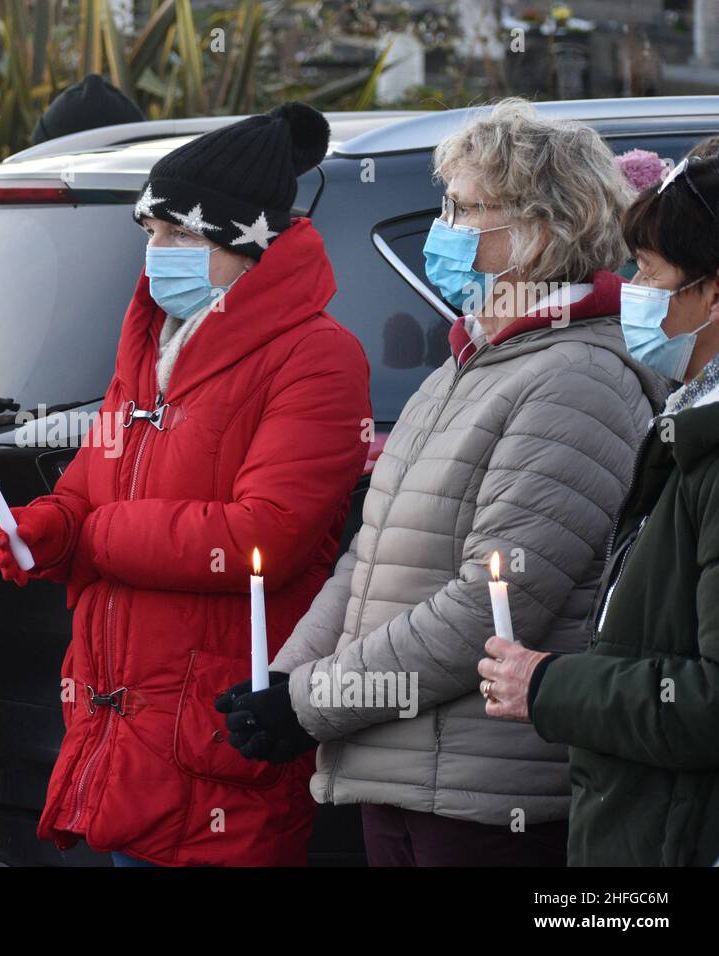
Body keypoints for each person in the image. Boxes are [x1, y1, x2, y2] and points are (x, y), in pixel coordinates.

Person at [220, 98, 669, 866]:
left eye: (464, 209)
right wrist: (286, 677)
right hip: (401, 771)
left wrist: (311, 705)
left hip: (486, 795)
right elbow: (368, 564)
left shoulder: (576, 380)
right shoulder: (466, 364)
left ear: (540, 228)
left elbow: (490, 604)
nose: (445, 227)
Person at [0, 103, 372, 866]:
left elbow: (265, 533)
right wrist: (49, 528)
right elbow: (88, 483)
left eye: (179, 233)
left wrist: (94, 537)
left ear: (242, 244)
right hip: (125, 732)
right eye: (150, 233)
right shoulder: (149, 345)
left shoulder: (316, 356)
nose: (155, 252)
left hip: (218, 733)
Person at [479, 153, 719, 866]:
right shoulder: (688, 423)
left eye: (648, 273)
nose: (632, 293)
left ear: (712, 297)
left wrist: (550, 684)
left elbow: (708, 700)